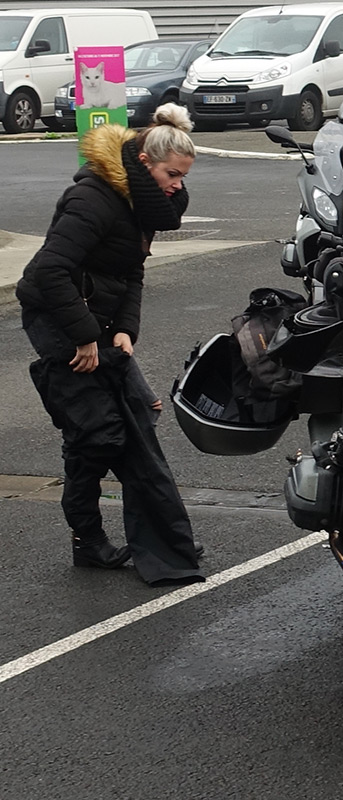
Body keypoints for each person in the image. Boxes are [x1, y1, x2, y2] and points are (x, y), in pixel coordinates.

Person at [16, 104, 205, 587]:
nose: (178, 186)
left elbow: (131, 270)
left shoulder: (139, 204)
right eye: (172, 175)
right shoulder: (95, 199)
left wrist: (126, 328)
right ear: (144, 163)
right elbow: (45, 274)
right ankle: (88, 542)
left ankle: (164, 538)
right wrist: (83, 337)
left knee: (140, 421)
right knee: (98, 434)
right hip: (59, 318)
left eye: (183, 177)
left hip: (99, 320)